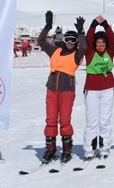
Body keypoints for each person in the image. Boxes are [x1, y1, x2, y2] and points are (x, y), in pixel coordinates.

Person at [38, 12, 86, 164]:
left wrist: (80, 32)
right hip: (52, 88)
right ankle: (50, 149)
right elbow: (41, 41)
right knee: (51, 120)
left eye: (73, 40)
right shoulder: (55, 51)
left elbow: (84, 47)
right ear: (64, 40)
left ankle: (66, 150)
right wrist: (48, 27)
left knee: (64, 120)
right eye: (68, 39)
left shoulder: (77, 55)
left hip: (67, 90)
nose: (70, 42)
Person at [83, 15, 114, 160]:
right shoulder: (90, 53)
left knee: (105, 120)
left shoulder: (109, 53)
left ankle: (105, 146)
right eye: (98, 43)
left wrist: (105, 25)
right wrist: (92, 25)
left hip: (107, 88)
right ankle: (89, 148)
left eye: (103, 43)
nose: (100, 45)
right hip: (92, 89)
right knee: (91, 120)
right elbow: (88, 40)